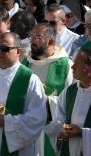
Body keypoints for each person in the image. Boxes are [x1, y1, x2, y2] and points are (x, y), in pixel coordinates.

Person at [44, 47, 91, 156]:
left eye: (77, 63)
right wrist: (60, 130)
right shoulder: (69, 92)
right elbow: (59, 118)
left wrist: (82, 132)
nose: (72, 66)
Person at [26, 22, 73, 156]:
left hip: (50, 130)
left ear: (51, 41)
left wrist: (47, 100)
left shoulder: (66, 66)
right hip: (25, 127)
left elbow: (71, 101)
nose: (33, 41)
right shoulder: (25, 63)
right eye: (32, 37)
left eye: (38, 37)